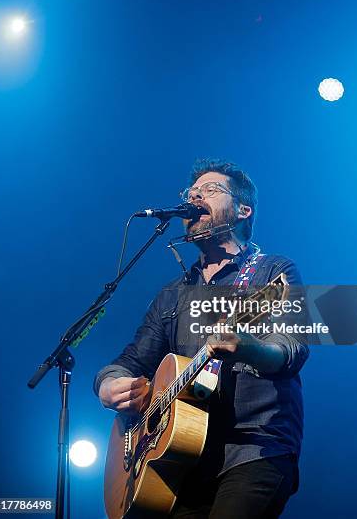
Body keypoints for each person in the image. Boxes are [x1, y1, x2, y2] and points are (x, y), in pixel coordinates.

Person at [94, 158, 309, 518]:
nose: (195, 197)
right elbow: (129, 362)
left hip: (254, 449)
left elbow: (292, 349)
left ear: (243, 210)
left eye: (209, 190)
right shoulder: (173, 294)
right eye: (191, 193)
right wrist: (108, 384)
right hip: (180, 462)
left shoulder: (274, 271)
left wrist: (250, 349)